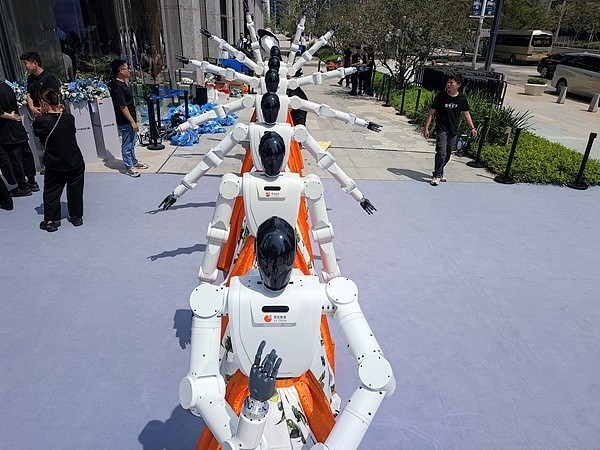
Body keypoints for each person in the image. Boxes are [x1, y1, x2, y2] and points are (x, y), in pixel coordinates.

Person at [33, 87, 85, 232]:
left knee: (51, 191)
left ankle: (50, 221)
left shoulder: (40, 121)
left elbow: (38, 134)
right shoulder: (69, 118)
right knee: (75, 189)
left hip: (54, 162)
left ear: (43, 102)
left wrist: (41, 115)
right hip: (74, 160)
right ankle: (76, 217)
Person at [423, 74, 477, 186]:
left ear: (458, 85)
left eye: (451, 83)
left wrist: (472, 128)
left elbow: (466, 113)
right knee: (441, 152)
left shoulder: (461, 99)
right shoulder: (440, 97)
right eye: (448, 82)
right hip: (441, 129)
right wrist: (426, 128)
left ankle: (440, 171)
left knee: (447, 154)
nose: (448, 84)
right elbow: (431, 113)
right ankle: (437, 175)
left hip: (453, 130)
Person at [109, 59, 148, 177]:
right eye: (127, 69)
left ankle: (134, 161)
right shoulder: (117, 86)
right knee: (127, 144)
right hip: (125, 121)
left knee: (132, 143)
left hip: (130, 118)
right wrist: (132, 122)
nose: (129, 71)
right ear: (121, 71)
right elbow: (123, 106)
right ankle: (129, 167)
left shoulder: (123, 84)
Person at [0, 79, 39, 197]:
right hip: (18, 127)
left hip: (7, 129)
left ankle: (22, 186)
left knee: (15, 159)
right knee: (26, 154)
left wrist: (10, 117)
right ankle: (32, 182)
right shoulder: (6, 87)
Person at [19, 52, 60, 117]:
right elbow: (29, 94)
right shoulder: (30, 78)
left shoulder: (49, 78)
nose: (25, 67)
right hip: (37, 113)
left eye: (26, 63)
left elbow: (54, 97)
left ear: (35, 63)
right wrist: (32, 107)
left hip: (49, 113)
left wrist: (44, 108)